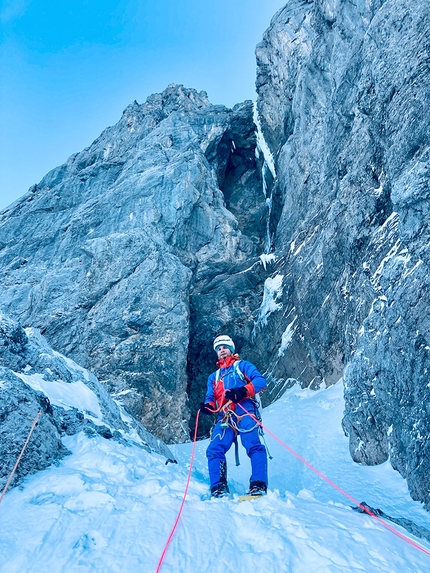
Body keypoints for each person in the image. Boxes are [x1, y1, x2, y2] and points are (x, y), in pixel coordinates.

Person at [200, 334, 268, 498]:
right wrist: (208, 407)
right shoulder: (213, 377)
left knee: (253, 444)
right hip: (224, 415)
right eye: (219, 348)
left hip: (244, 409)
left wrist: (243, 391)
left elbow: (260, 381)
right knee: (214, 449)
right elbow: (211, 397)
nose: (221, 350)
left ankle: (258, 485)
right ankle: (218, 487)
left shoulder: (242, 366)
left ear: (231, 349)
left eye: (224, 347)